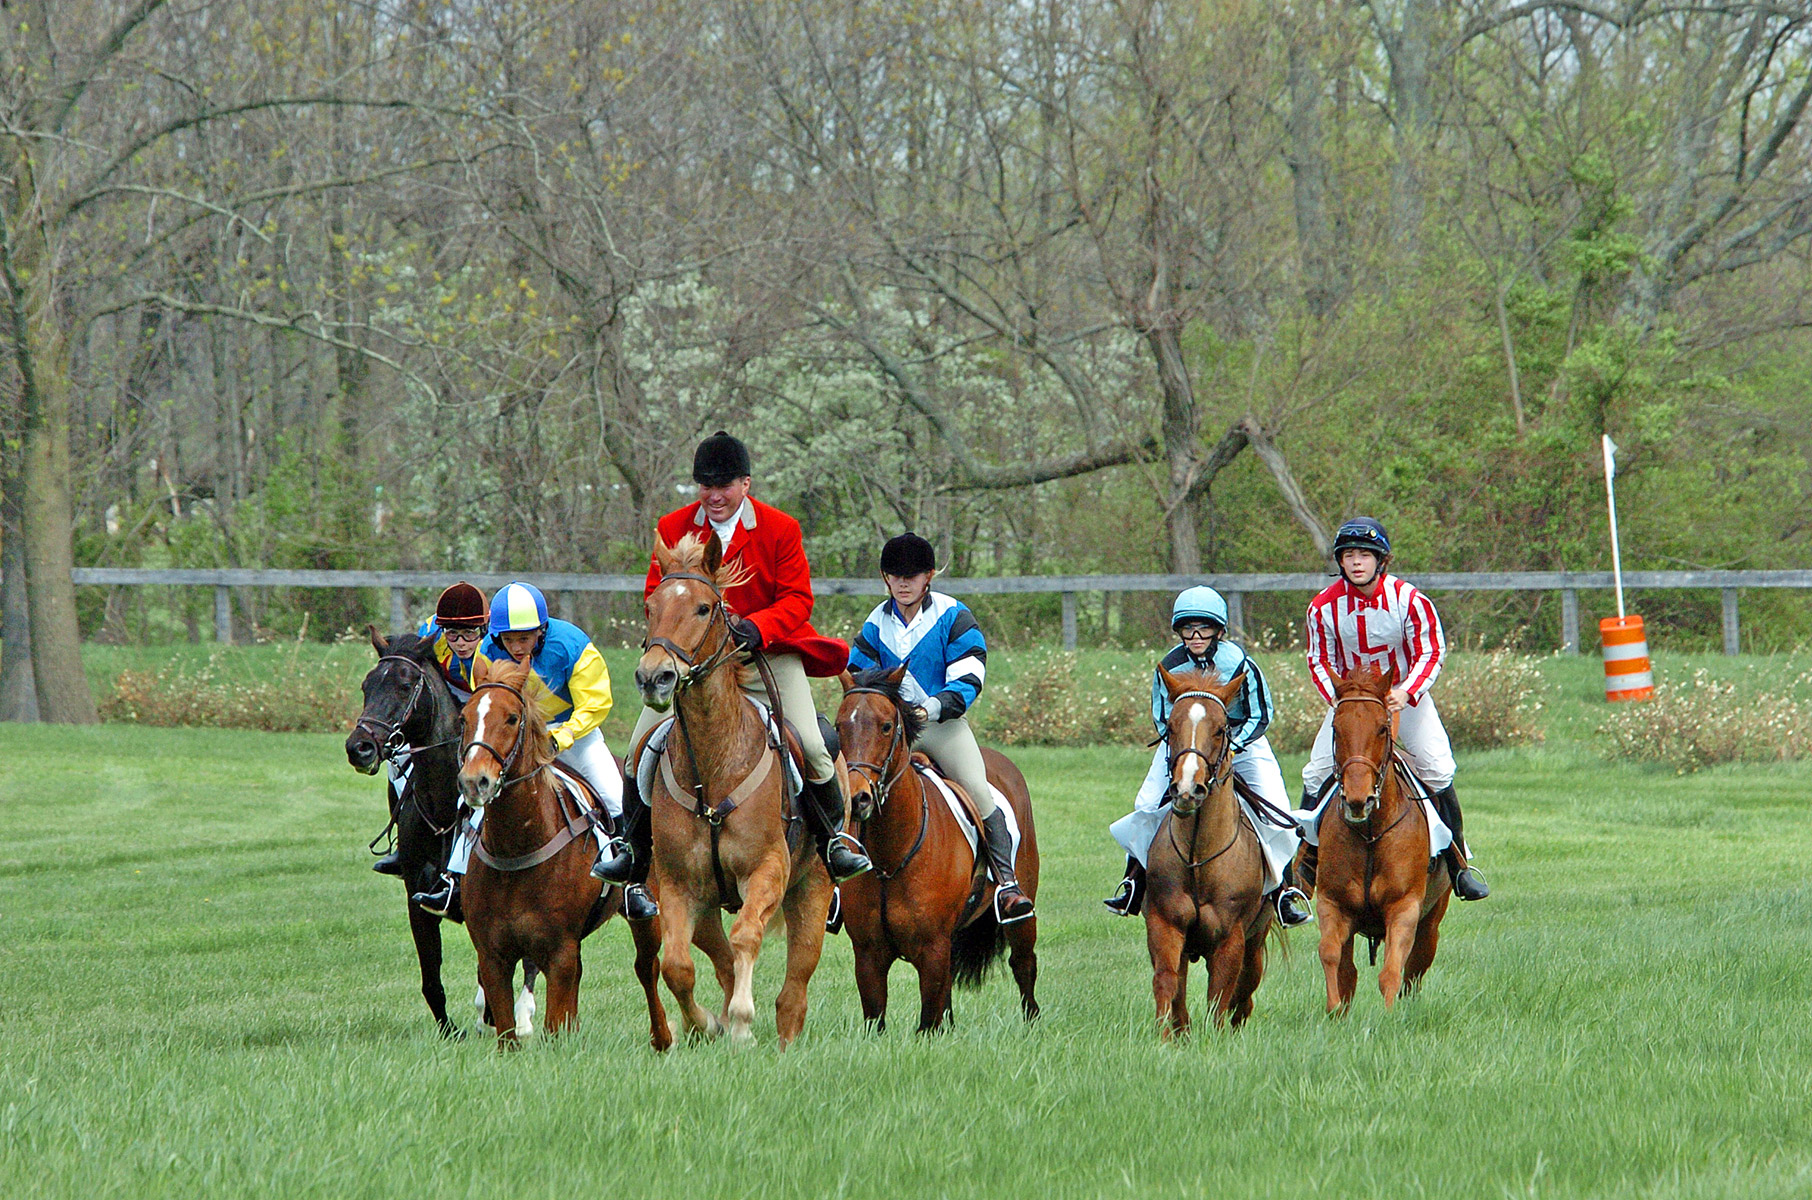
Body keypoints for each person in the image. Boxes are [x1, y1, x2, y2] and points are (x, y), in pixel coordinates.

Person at [592, 431, 872, 905]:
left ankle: (833, 845)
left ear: (746, 484)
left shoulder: (781, 528)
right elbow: (656, 596)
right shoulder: (673, 527)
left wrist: (757, 627)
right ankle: (633, 855)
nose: (715, 496)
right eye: (706, 486)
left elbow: (798, 600)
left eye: (724, 486)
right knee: (639, 750)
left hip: (765, 654)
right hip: (694, 663)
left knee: (811, 744)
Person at [411, 581, 638, 917]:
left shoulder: (573, 645)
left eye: (524, 638)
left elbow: (596, 703)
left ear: (541, 630)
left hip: (572, 734)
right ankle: (453, 881)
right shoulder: (488, 648)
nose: (516, 647)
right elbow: (485, 699)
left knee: (614, 794)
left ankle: (633, 885)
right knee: (472, 798)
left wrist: (561, 736)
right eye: (509, 639)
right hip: (515, 737)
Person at [1296, 517, 1489, 901]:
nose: (1356, 562)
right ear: (1340, 561)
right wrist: (1338, 698)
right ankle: (1301, 873)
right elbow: (1318, 659)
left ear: (1381, 560)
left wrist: (1406, 691)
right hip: (1353, 705)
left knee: (1436, 766)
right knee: (1316, 772)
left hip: (1403, 699)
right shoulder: (1322, 607)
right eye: (1349, 555)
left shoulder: (1410, 600)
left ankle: (1459, 866)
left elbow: (1431, 651)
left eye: (1364, 555)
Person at [845, 533, 1032, 923]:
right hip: (889, 732)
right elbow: (858, 676)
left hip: (941, 726)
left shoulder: (954, 615)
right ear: (885, 577)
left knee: (978, 788)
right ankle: (835, 887)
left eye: (912, 576)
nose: (903, 583)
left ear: (928, 576)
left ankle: (1007, 883)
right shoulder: (876, 622)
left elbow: (969, 675)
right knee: (849, 787)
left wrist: (933, 706)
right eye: (895, 575)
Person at [1104, 586, 1312, 926]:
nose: (1196, 636)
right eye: (1188, 628)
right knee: (1146, 804)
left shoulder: (1240, 663)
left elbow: (1261, 714)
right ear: (1179, 631)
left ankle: (1283, 892)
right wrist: (1185, 744)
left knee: (1276, 809)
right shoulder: (1169, 666)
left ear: (1218, 630)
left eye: (1204, 627)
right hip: (1184, 742)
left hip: (1241, 742)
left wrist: (1229, 746)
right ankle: (1133, 882)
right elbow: (1162, 715)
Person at [372, 581, 490, 879]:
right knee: (398, 758)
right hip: (448, 697)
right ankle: (402, 841)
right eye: (453, 634)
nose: (460, 643)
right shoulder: (430, 633)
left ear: (484, 629)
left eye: (470, 634)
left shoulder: (496, 646)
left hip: (486, 702)